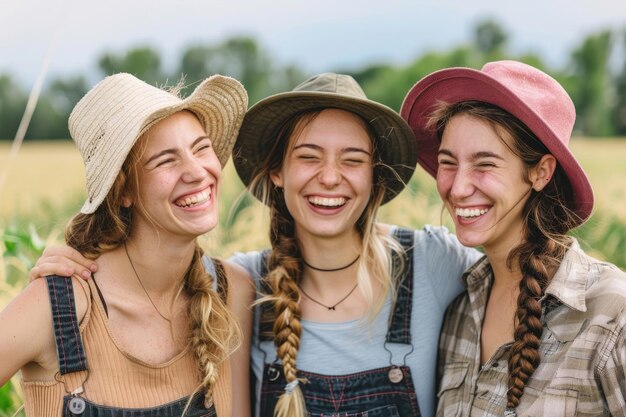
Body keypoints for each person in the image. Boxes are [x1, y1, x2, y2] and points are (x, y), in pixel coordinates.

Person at [28, 73, 481, 417]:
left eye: (353, 160)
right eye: (308, 156)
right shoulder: (237, 289)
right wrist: (79, 267)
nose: (329, 177)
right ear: (277, 172)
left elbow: (525, 267)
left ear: (374, 176)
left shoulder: (430, 262)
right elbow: (144, 281)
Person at [0, 73, 253, 417]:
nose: (197, 172)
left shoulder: (232, 291)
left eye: (201, 148)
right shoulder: (56, 308)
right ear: (123, 191)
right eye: (166, 160)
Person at [401, 60, 626, 416]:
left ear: (540, 172)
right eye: (448, 162)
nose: (458, 188)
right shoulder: (460, 308)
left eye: (484, 164)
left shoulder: (612, 313)